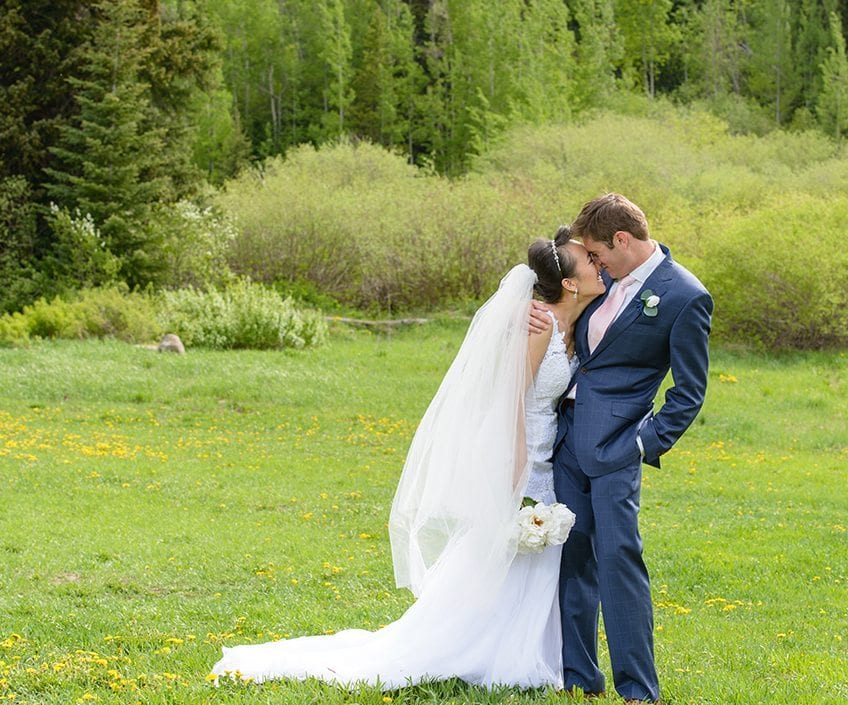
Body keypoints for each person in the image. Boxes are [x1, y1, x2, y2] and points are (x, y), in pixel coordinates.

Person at [210, 227, 605, 690]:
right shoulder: (539, 327)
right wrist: (516, 471)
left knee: (533, 554)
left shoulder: (570, 318)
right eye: (591, 262)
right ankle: (484, 646)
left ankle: (533, 646)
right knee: (512, 544)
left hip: (549, 452)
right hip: (525, 452)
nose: (600, 265)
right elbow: (510, 401)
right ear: (572, 283)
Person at [530, 193, 712, 704]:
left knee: (619, 560)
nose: (592, 261)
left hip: (616, 450)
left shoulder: (684, 295)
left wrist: (641, 443)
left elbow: (689, 392)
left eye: (596, 252)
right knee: (573, 561)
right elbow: (561, 293)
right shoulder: (600, 277)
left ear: (622, 241)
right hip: (566, 443)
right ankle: (578, 680)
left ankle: (638, 690)